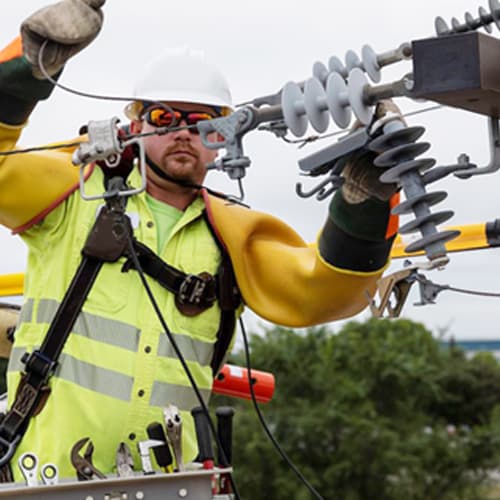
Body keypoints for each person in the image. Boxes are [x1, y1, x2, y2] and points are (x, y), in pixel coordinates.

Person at [0, 0, 401, 481]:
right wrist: (26, 67)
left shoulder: (233, 235)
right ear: (135, 124)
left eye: (205, 123)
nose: (185, 133)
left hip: (173, 484)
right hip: (44, 475)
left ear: (224, 138)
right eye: (167, 118)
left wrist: (367, 201)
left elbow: (326, 290)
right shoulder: (71, 194)